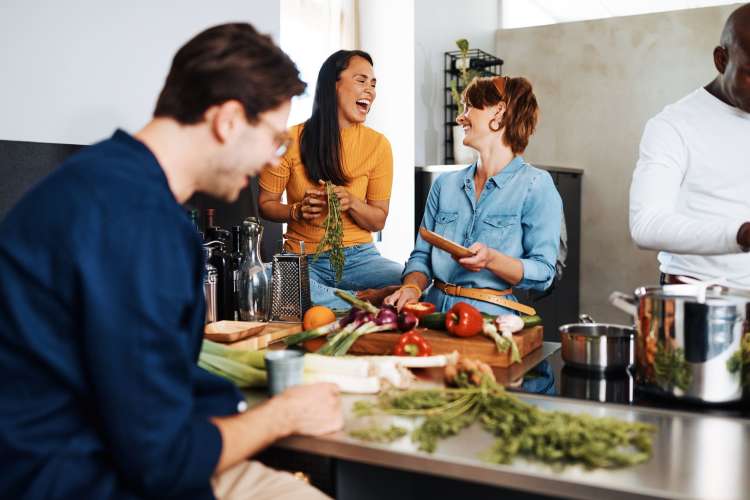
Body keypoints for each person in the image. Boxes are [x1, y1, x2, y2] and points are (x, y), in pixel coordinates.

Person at [0, 23, 341, 500]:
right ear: (227, 121)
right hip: (76, 479)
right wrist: (285, 414)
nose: (271, 159)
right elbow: (163, 461)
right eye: (273, 139)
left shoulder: (98, 179)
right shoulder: (141, 223)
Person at [385, 76, 562, 314]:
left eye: (469, 106)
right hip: (432, 312)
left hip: (489, 319)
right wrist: (411, 288)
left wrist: (491, 259)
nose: (461, 116)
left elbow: (543, 273)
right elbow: (422, 256)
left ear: (499, 112)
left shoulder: (536, 185)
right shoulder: (444, 185)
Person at [258, 50, 403, 308]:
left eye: (373, 83)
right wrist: (296, 212)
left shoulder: (378, 145)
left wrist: (352, 202)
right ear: (333, 84)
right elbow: (266, 203)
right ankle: (359, 301)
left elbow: (378, 219)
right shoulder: (290, 140)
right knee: (268, 278)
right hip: (303, 258)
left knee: (413, 282)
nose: (370, 89)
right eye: (361, 80)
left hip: (360, 260)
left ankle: (327, 301)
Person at [629, 3, 750, 287]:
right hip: (696, 298)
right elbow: (646, 225)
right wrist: (741, 234)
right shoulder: (673, 125)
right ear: (721, 60)